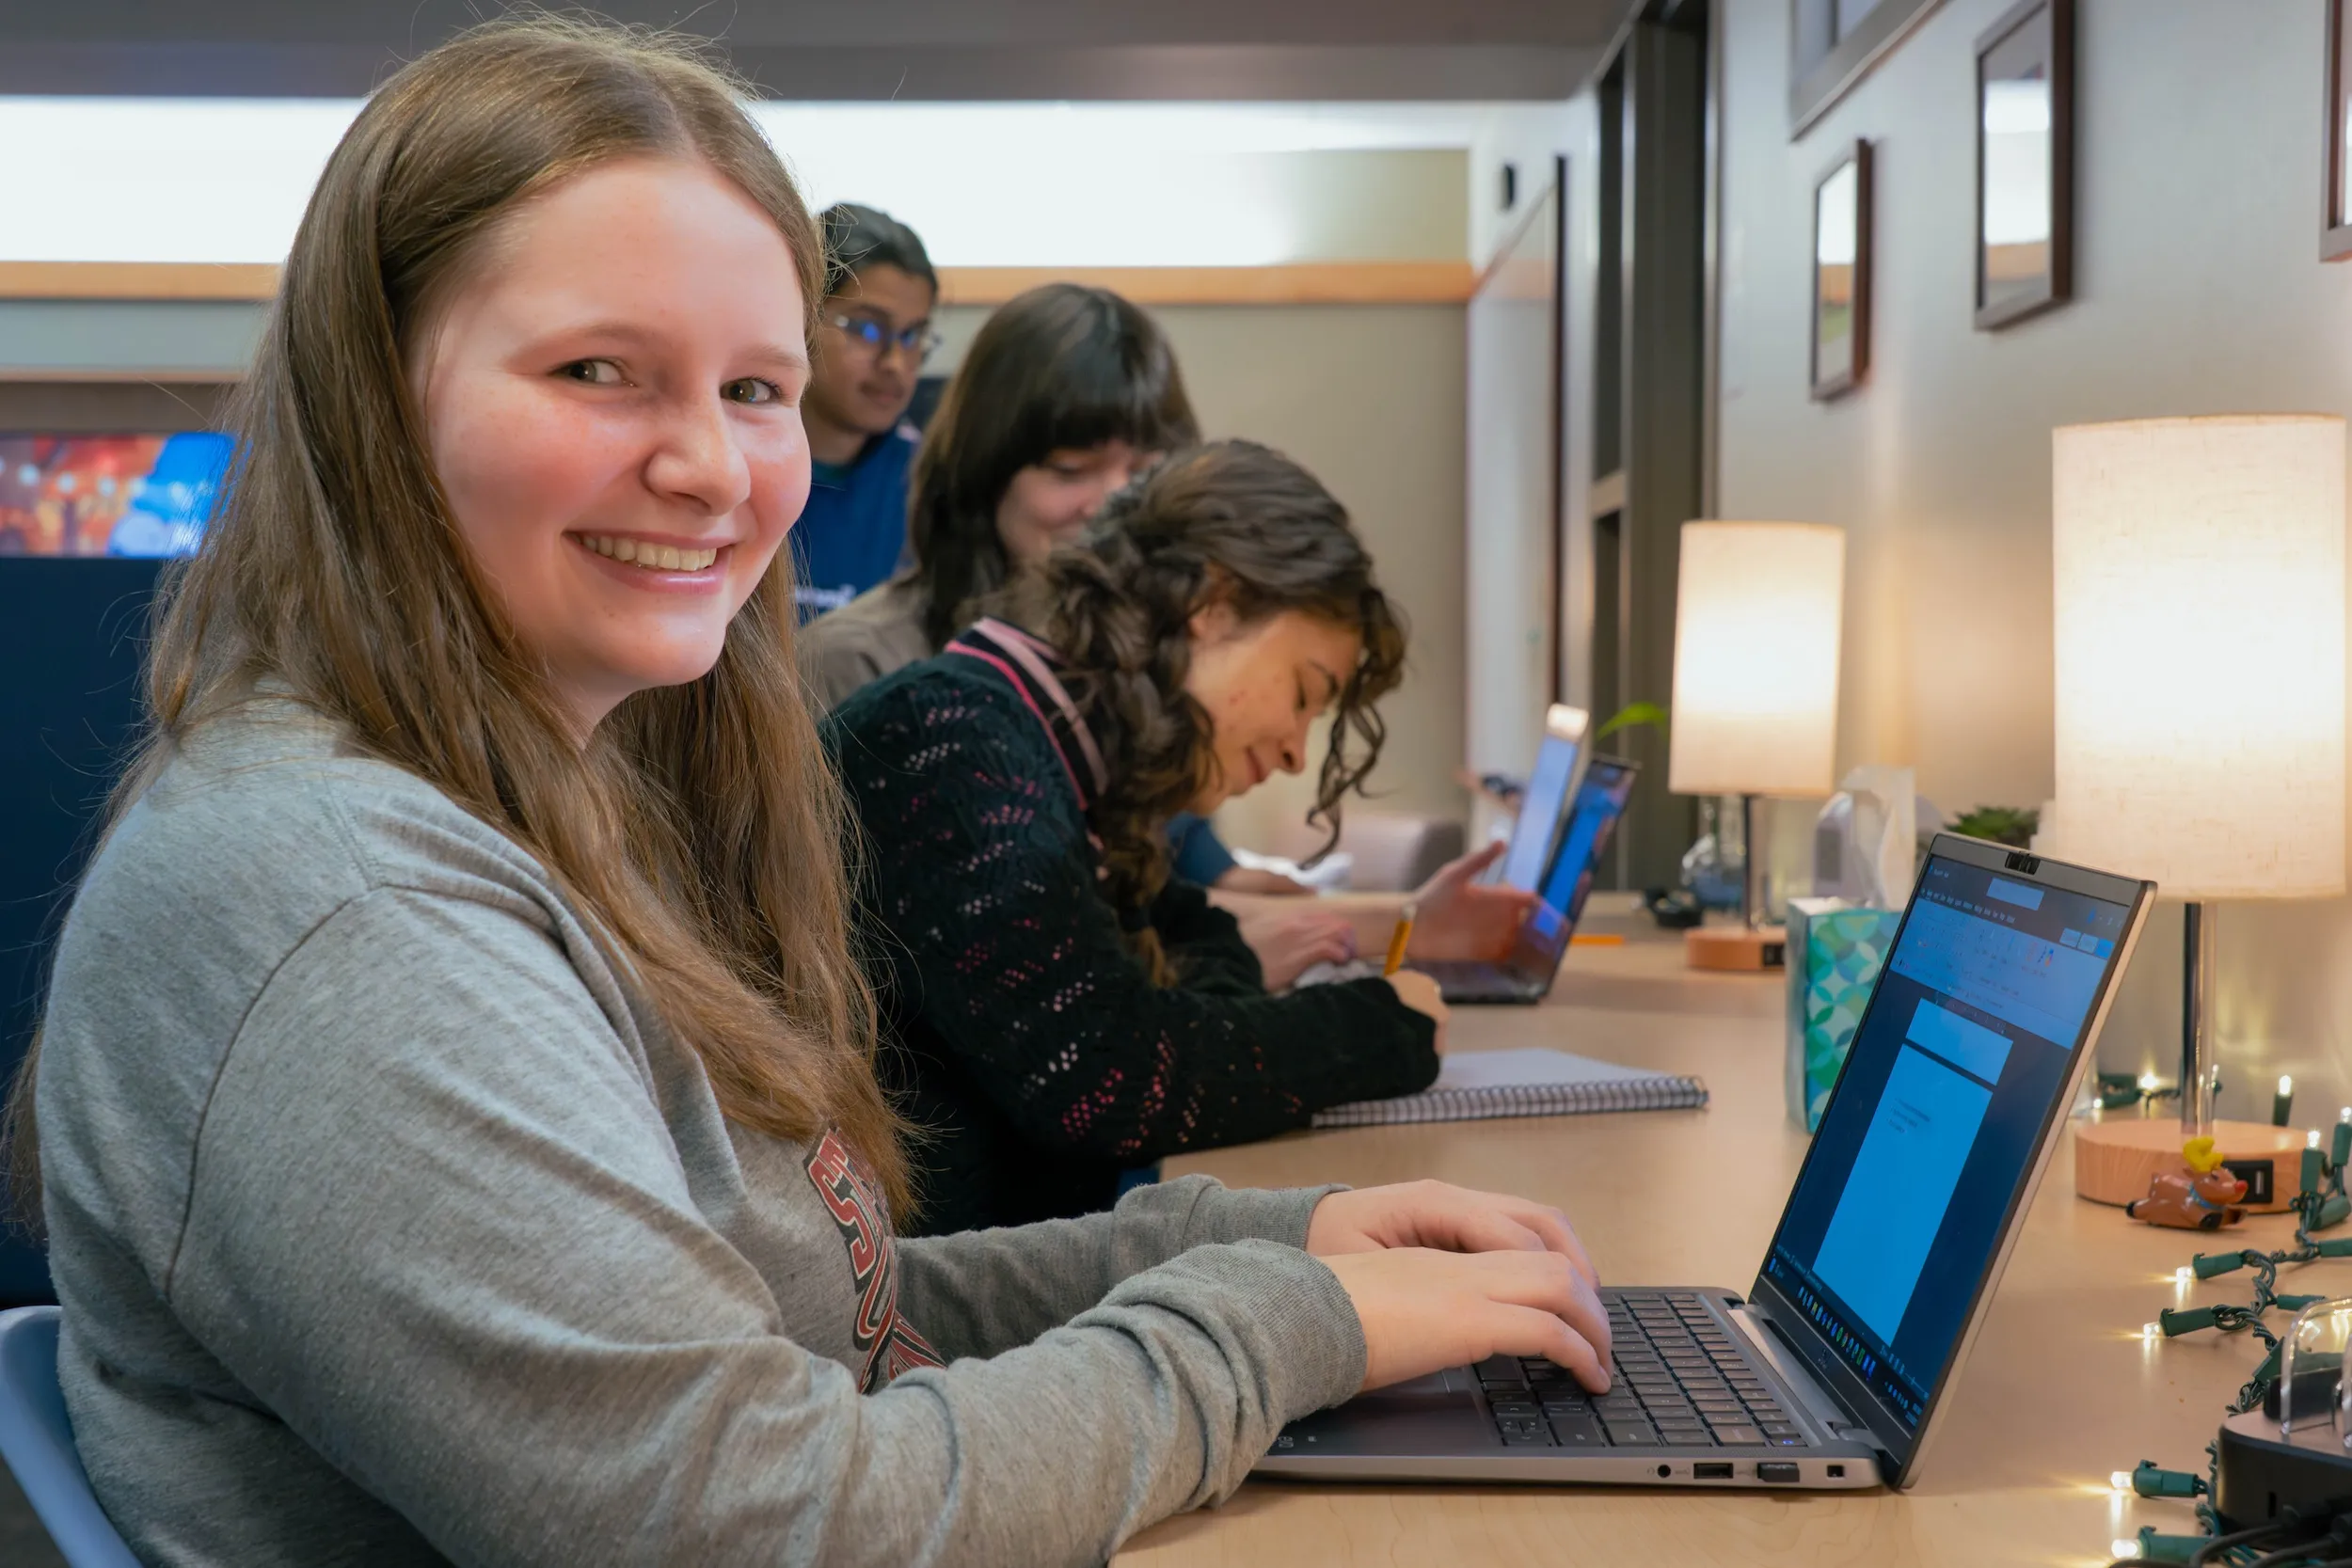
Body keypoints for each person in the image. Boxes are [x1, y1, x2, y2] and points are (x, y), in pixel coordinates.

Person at [2, 22, 1613, 1565]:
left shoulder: (550, 811)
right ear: (374, 402)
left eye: (756, 388)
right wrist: (1281, 1325)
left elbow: (809, 1315)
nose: (713, 466)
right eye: (596, 368)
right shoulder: (349, 907)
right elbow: (766, 1521)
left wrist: (1256, 1247)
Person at [826, 441, 1535, 1237]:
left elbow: (1190, 955)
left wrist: (1196, 998)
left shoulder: (1047, 753)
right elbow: (1110, 1080)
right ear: (1212, 604)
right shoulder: (952, 746)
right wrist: (1383, 1025)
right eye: (1304, 694)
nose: (1300, 747)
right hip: (913, 1325)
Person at [798, 278, 1194, 707]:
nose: (1115, 505)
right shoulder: (859, 664)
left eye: (1142, 473)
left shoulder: (1177, 648)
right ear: (984, 471)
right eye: (1071, 470)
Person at [788, 201, 938, 622]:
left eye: (912, 336)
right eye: (867, 329)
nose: (895, 362)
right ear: (799, 315)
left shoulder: (930, 487)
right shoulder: (734, 465)